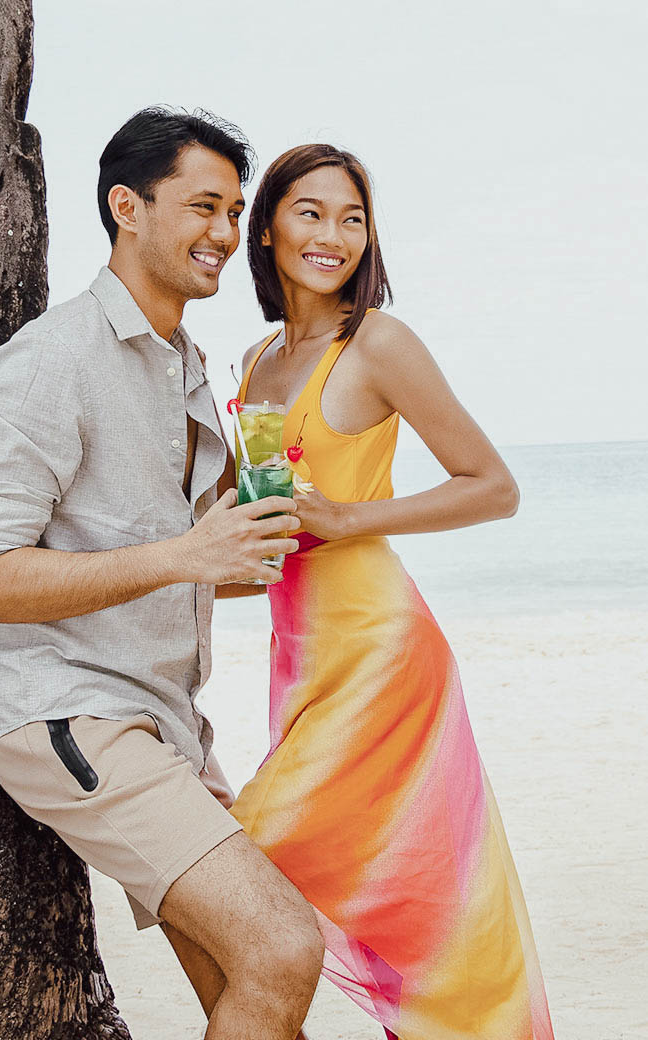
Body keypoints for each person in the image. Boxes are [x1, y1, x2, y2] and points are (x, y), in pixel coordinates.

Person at [0, 108, 324, 1040]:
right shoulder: (52, 361)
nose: (227, 235)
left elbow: (199, 561)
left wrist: (259, 541)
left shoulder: (185, 363)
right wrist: (189, 554)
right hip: (66, 712)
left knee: (252, 983)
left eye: (235, 212)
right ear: (127, 207)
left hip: (166, 718)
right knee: (283, 949)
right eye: (202, 206)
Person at [224, 143, 555, 1040]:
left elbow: (493, 485)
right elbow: (256, 530)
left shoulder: (378, 342)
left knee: (250, 854)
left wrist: (350, 519)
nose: (332, 235)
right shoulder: (253, 363)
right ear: (266, 228)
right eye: (310, 211)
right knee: (390, 904)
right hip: (300, 659)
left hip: (378, 651)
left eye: (353, 218)